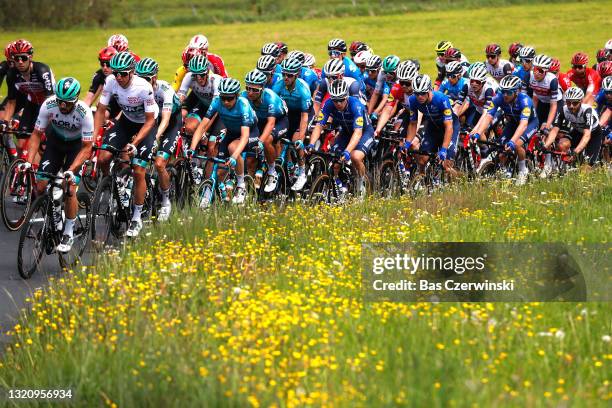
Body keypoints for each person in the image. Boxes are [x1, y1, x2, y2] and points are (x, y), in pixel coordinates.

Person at [21, 78, 93, 252]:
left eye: (67, 103)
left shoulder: (84, 112)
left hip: (77, 147)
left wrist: (71, 170)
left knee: (70, 186)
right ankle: (56, 214)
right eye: (60, 101)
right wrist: (29, 162)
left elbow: (87, 147)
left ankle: (68, 232)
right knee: (40, 185)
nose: (62, 106)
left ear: (75, 100)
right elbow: (37, 135)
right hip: (56, 143)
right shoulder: (49, 104)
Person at [93, 51, 159, 238]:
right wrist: (93, 137)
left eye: (123, 73)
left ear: (132, 72)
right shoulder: (111, 82)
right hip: (126, 122)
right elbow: (100, 110)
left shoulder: (143, 87)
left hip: (146, 125)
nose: (119, 77)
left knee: (138, 169)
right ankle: (110, 184)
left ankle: (137, 218)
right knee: (103, 156)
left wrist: (135, 143)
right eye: (116, 73)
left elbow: (149, 121)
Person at [189, 78, 259, 205]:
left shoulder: (243, 105)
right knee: (220, 171)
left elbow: (244, 136)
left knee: (233, 149)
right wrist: (192, 148)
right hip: (231, 132)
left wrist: (233, 157)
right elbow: (202, 127)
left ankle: (241, 185)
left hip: (249, 133)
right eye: (223, 98)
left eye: (230, 98)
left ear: (237, 96)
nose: (226, 102)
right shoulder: (217, 102)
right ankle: (222, 195)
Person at [135, 57, 182, 221]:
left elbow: (166, 120)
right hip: (152, 121)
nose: (142, 82)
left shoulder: (165, 90)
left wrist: (154, 138)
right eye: (138, 78)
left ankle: (166, 200)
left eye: (146, 79)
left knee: (160, 163)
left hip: (171, 122)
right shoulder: (139, 89)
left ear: (154, 78)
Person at [307, 79, 374, 194]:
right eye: (335, 100)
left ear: (346, 97)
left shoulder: (356, 105)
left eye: (341, 100)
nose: (338, 103)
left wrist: (347, 151)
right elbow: (319, 126)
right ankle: (339, 187)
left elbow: (357, 133)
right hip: (346, 133)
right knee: (335, 162)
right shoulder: (328, 104)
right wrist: (311, 144)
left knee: (355, 156)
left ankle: (362, 182)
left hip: (364, 132)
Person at [470, 75, 538, 185]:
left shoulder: (525, 101)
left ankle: (522, 170)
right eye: (503, 91)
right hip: (512, 123)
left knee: (516, 145)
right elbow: (488, 116)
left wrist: (512, 141)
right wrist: (478, 133)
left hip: (529, 124)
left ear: (516, 91)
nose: (505, 95)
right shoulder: (498, 97)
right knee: (501, 151)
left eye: (509, 92)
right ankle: (505, 171)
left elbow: (523, 124)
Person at [1, 39, 55, 158]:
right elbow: (11, 102)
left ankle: (52, 170)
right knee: (20, 145)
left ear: (30, 57)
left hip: (49, 106)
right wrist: (5, 122)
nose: (20, 62)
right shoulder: (12, 74)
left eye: (23, 58)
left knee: (42, 146)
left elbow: (50, 100)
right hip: (32, 103)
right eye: (16, 58)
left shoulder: (42, 71)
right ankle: (20, 173)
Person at [241, 69, 288, 192]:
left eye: (255, 90)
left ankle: (272, 171)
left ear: (262, 88)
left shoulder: (270, 97)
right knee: (251, 159)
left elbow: (271, 123)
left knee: (266, 141)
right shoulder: (243, 96)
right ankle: (250, 193)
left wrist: (260, 141)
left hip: (279, 121)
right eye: (248, 88)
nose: (250, 93)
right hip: (260, 122)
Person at [403, 74, 459, 176]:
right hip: (433, 128)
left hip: (450, 127)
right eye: (417, 93)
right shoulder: (413, 100)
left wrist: (444, 149)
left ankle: (461, 183)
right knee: (422, 160)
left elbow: (449, 126)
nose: (420, 96)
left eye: (423, 93)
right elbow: (413, 123)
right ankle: (423, 183)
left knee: (447, 166)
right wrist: (407, 142)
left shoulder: (441, 99)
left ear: (429, 90)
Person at [272, 58, 313, 191]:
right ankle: (288, 165)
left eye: (289, 75)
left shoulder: (303, 90)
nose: (285, 77)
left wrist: (301, 138)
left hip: (302, 115)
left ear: (296, 75)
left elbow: (304, 117)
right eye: (284, 74)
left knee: (295, 141)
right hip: (287, 115)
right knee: (280, 140)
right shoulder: (278, 86)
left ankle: (302, 172)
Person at [542, 87, 603, 168]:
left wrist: (576, 151)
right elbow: (554, 130)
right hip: (577, 131)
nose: (571, 106)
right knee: (562, 145)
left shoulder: (587, 111)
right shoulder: (564, 110)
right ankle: (568, 168)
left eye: (574, 103)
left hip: (593, 134)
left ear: (581, 101)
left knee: (587, 167)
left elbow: (587, 135)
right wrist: (545, 146)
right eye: (568, 103)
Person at [84, 46, 121, 120]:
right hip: (111, 104)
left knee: (104, 112)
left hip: (125, 105)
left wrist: (117, 120)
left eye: (108, 64)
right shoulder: (99, 75)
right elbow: (89, 98)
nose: (105, 67)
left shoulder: (121, 76)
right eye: (102, 64)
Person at [528, 54, 562, 133]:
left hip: (556, 104)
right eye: (535, 69)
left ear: (546, 71)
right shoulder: (530, 76)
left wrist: (548, 124)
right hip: (542, 103)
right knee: (533, 124)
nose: (536, 73)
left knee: (544, 128)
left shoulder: (552, 80)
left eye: (540, 71)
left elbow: (553, 105)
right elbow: (535, 99)